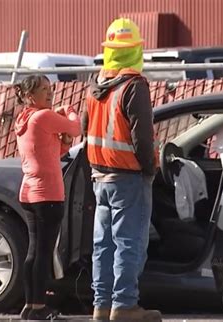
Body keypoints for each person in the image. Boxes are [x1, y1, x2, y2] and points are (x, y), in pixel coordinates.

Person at [83, 18, 161, 321]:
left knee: (102, 245)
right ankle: (125, 305)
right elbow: (143, 137)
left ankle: (101, 306)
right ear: (135, 50)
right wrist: (150, 169)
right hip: (128, 177)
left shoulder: (95, 84)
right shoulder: (134, 86)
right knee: (129, 243)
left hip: (99, 176)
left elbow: (83, 127)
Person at [13, 75, 81, 320]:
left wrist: (63, 136)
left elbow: (54, 150)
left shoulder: (25, 119)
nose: (50, 93)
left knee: (34, 251)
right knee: (43, 253)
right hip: (48, 195)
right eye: (44, 90)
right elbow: (76, 128)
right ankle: (40, 307)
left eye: (50, 88)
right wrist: (69, 111)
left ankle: (30, 305)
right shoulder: (43, 116)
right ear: (31, 96)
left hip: (29, 192)